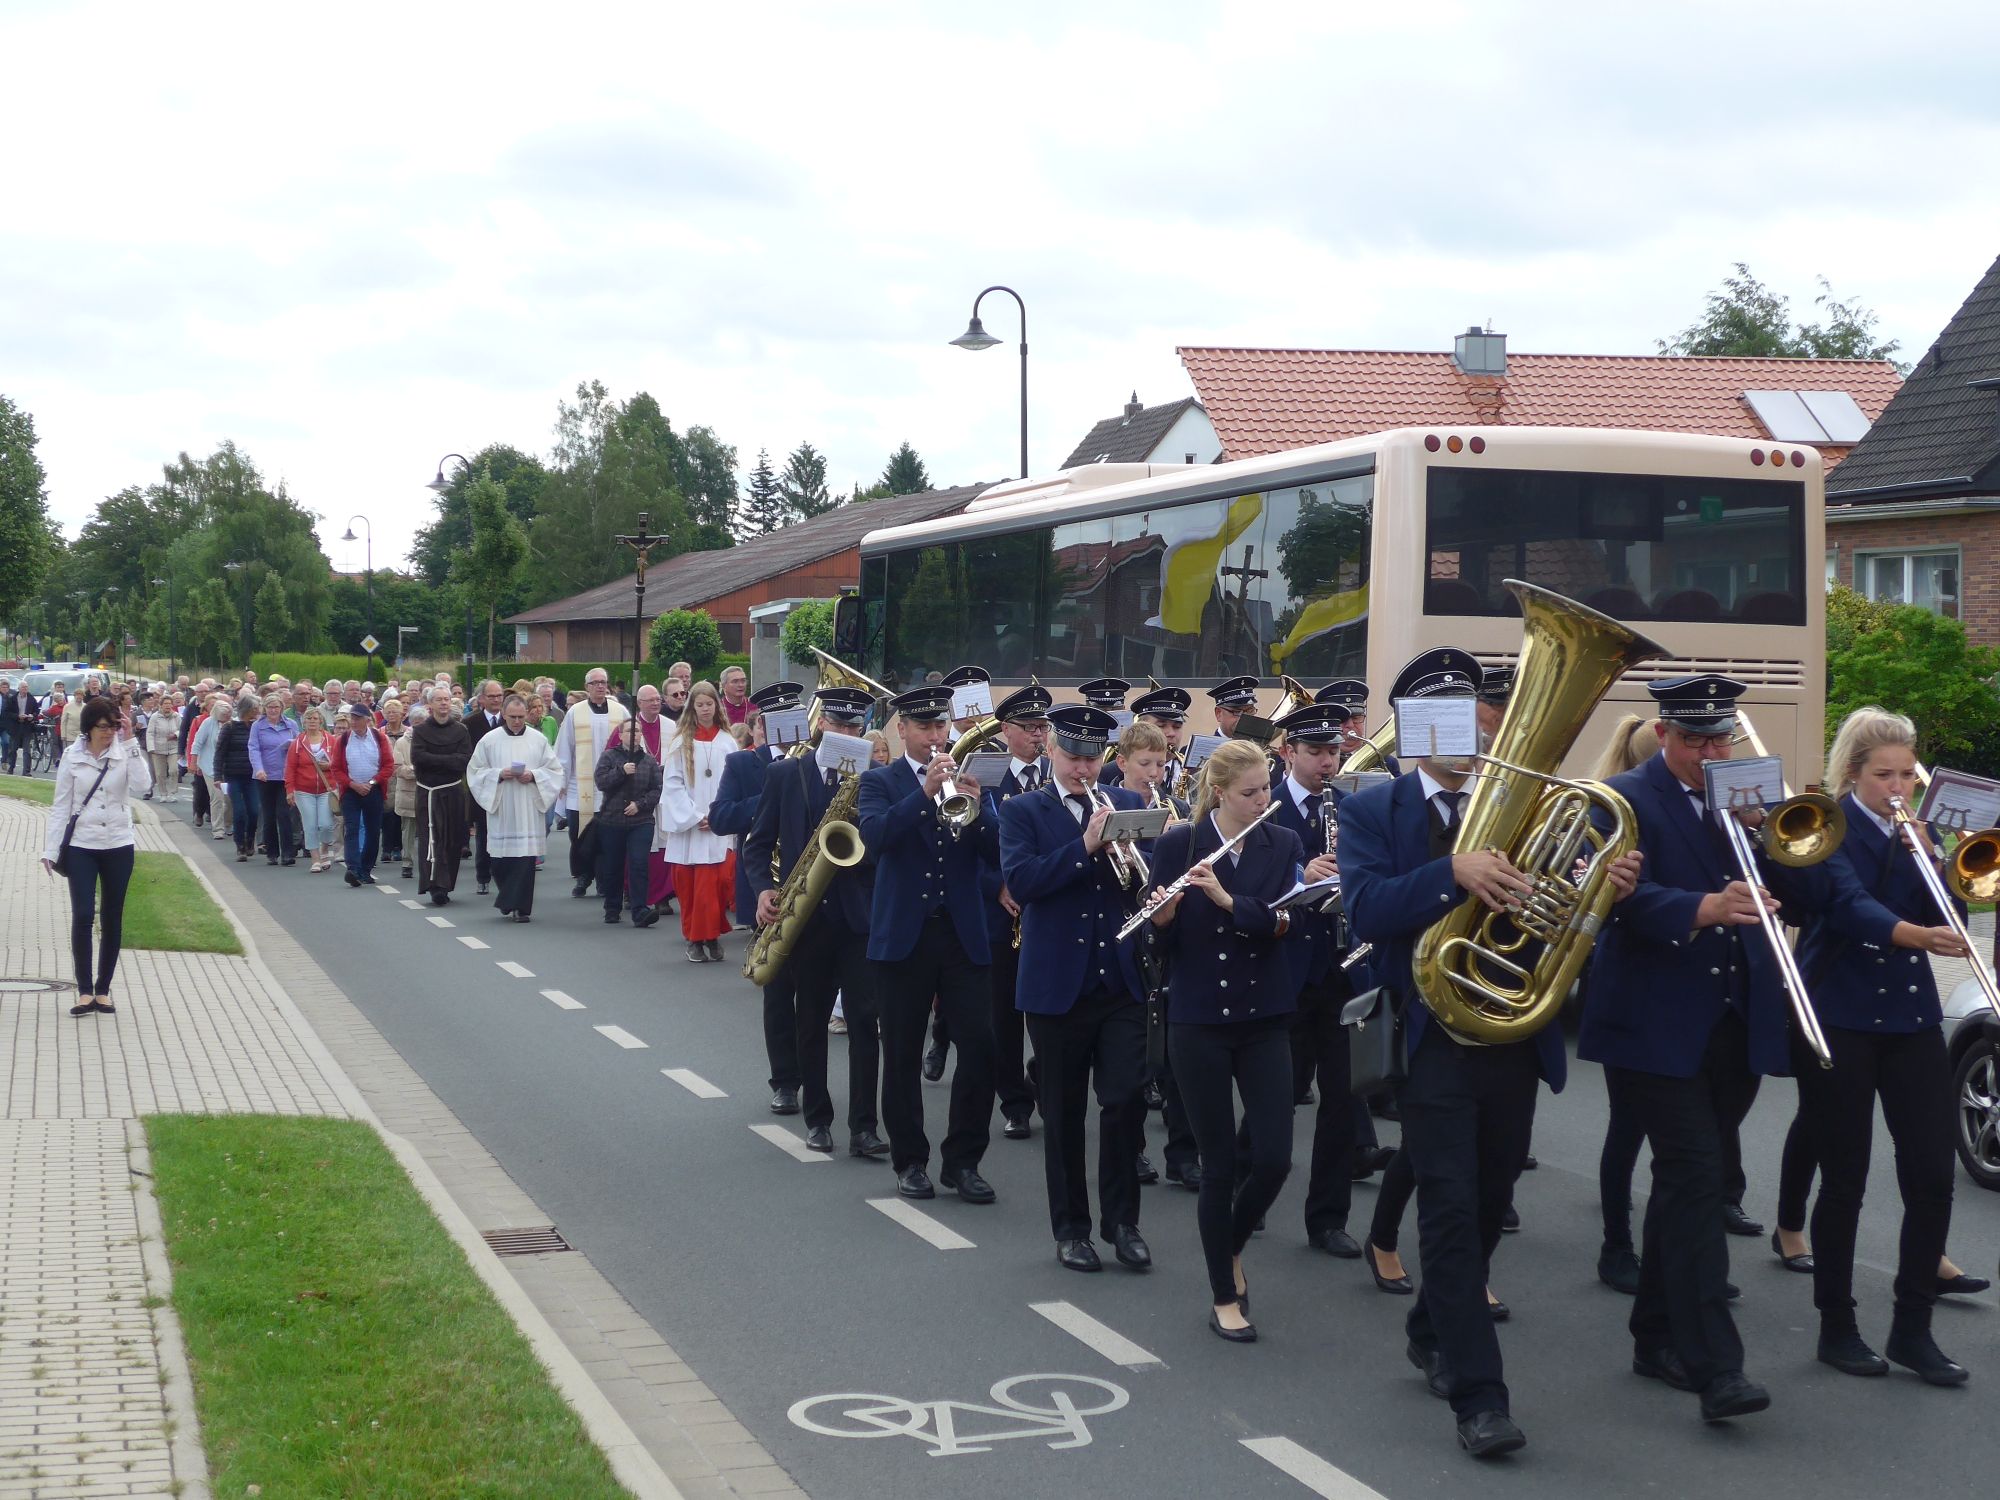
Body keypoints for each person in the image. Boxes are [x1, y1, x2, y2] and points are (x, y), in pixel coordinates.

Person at [1341, 648, 1617, 1457]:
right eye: (1448, 720)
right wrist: (1450, 872)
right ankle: (1480, 1398)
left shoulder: (1533, 804)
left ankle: (1431, 1328)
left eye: (1476, 718)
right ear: (1417, 731)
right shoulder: (1373, 809)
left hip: (1511, 1034)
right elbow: (1365, 912)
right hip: (1429, 1037)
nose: (1472, 735)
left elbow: (1559, 908)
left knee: (1491, 1201)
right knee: (1451, 1211)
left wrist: (1603, 886)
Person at [1578, 675, 1794, 1426]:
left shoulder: (1745, 796)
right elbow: (1606, 901)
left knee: (1682, 1185)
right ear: (1663, 734)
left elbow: (1793, 894)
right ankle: (1716, 1368)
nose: (1711, 753)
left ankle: (1654, 1335)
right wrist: (1701, 907)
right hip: (1652, 1023)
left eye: (1720, 739)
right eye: (1696, 739)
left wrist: (1773, 837)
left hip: (1733, 1021)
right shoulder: (1622, 799)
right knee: (1699, 1178)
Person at [1765, 707, 1971, 1384]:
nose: (1898, 788)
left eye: (1907, 775)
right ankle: (1837, 1325)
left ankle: (1913, 1328)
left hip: (1910, 1017)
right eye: (1884, 775)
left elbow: (1955, 917)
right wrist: (1914, 934)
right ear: (1854, 773)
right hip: (1839, 1014)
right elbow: (1847, 904)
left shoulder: (1918, 834)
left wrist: (1937, 862)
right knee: (1845, 1179)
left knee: (1932, 1176)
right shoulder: (1823, 827)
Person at [1143, 739, 1302, 1341]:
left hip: (1264, 1016)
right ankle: (1222, 1295)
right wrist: (1160, 920)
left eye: (1266, 789)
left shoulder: (1281, 842)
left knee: (1274, 1158)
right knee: (1217, 1164)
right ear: (1219, 794)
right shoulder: (1179, 845)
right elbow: (1157, 947)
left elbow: (1288, 921)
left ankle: (1229, 1244)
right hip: (1199, 1019)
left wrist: (1229, 901)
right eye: (1249, 793)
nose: (1262, 800)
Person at [1001, 703, 1151, 1273]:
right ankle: (1071, 1229)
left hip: (1120, 979)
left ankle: (1123, 1222)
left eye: (1092, 758)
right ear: (1052, 752)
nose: (1083, 769)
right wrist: (1086, 846)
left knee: (1125, 1100)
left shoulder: (1128, 802)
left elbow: (1147, 878)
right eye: (1073, 757)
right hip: (1056, 984)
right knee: (1063, 1115)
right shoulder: (1022, 811)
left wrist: (1143, 868)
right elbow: (1023, 882)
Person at [857, 685, 998, 1202]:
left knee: (980, 1047)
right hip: (904, 936)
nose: (936, 736)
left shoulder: (971, 778)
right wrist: (924, 795)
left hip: (962, 935)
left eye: (941, 726)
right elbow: (875, 838)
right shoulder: (879, 781)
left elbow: (998, 852)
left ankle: (963, 1161)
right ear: (902, 730)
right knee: (901, 1051)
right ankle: (911, 1160)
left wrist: (980, 809)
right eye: (925, 727)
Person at [746, 686, 885, 1155]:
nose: (847, 733)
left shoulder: (874, 777)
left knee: (865, 1022)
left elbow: (884, 845)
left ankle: (864, 1126)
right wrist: (763, 890)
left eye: (855, 727)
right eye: (839, 724)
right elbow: (757, 844)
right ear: (821, 723)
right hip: (806, 917)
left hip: (859, 918)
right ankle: (818, 1119)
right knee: (810, 1020)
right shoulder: (786, 774)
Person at [1267, 701, 1366, 1259]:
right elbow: (1248, 879)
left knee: (1342, 1097)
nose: (1328, 762)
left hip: (1341, 969)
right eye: (1315, 752)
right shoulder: (1266, 805)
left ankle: (1328, 1219)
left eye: (1333, 751)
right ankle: (1248, 1185)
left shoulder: (1350, 808)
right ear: (1289, 752)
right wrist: (1300, 875)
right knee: (1277, 1093)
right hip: (1285, 971)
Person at [711, 682, 805, 1109]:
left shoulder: (817, 762)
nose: (789, 726)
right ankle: (785, 1081)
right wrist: (770, 797)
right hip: (770, 890)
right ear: (761, 726)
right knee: (779, 992)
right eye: (778, 720)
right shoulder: (743, 763)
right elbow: (720, 817)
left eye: (794, 717)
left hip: (819, 887)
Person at [977, 684, 1052, 1140]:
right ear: (1006, 730)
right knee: (1003, 1017)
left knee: (1052, 1013)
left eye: (1043, 727)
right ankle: (1015, 1103)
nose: (1038, 735)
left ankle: (1044, 1080)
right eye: (1029, 727)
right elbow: (967, 846)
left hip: (1048, 910)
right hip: (1001, 916)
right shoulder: (985, 778)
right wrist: (997, 885)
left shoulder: (1057, 774)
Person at [42, 697, 150, 1016]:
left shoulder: (123, 750)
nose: (108, 733)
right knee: (83, 914)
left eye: (113, 726)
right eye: (103, 727)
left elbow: (144, 786)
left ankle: (103, 990)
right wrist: (51, 850)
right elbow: (61, 806)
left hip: (118, 843)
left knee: (112, 916)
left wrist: (130, 741)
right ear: (88, 728)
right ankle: (84, 991)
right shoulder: (73, 757)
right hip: (81, 845)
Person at [467, 693, 564, 922]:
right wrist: (499, 774)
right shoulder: (489, 740)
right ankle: (508, 898)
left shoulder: (538, 740)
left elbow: (554, 771)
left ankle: (521, 908)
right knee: (500, 862)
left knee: (525, 860)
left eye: (521, 717)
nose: (517, 721)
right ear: (503, 714)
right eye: (513, 717)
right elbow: (475, 772)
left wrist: (534, 775)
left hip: (528, 808)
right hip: (503, 808)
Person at [659, 680, 737, 963]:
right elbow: (673, 784)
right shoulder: (682, 742)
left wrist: (719, 816)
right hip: (690, 828)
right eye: (700, 704)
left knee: (717, 885)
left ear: (717, 706)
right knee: (691, 887)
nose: (705, 709)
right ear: (692, 707)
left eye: (709, 704)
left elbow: (735, 783)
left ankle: (711, 936)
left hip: (718, 826)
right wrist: (695, 817)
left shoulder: (728, 742)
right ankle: (695, 939)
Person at [554, 669, 632, 899]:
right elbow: (564, 748)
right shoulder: (575, 712)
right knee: (580, 834)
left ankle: (603, 880)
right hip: (581, 785)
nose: (600, 686)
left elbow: (633, 741)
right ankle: (583, 875)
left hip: (614, 784)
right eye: (595, 683)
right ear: (586, 686)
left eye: (603, 682)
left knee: (608, 836)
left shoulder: (620, 711)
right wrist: (561, 780)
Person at [594, 718, 663, 926]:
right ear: (621, 735)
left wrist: (640, 804)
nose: (634, 735)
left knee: (639, 863)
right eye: (629, 731)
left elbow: (657, 789)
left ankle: (640, 910)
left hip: (641, 821)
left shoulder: (649, 761)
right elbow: (601, 782)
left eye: (638, 731)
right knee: (613, 865)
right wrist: (621, 771)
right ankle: (612, 907)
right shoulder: (609, 756)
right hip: (612, 820)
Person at [411, 687, 474, 906]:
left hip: (453, 790)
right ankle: (433, 885)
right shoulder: (420, 731)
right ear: (430, 705)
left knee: (452, 839)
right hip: (428, 792)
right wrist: (449, 759)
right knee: (431, 838)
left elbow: (464, 759)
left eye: (447, 699)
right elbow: (418, 758)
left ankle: (446, 884)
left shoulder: (461, 730)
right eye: (439, 700)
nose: (444, 703)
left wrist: (436, 759)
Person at [330, 702, 394, 887]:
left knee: (373, 831)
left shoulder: (379, 738)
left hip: (373, 790)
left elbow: (388, 765)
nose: (354, 721)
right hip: (350, 791)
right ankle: (353, 868)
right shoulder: (343, 740)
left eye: (357, 718)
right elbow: (336, 768)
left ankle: (365, 869)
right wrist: (353, 784)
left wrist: (372, 783)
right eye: (352, 717)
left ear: (367, 720)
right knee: (351, 828)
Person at [465, 680, 507, 896]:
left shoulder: (510, 721)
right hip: (482, 787)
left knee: (505, 834)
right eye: (492, 696)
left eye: (499, 696)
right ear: (481, 699)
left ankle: (504, 876)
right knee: (483, 834)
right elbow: (467, 756)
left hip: (508, 786)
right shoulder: (470, 723)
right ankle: (483, 877)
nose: (496, 700)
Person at [285, 708, 339, 873]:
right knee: (310, 825)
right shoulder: (297, 743)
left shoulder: (331, 740)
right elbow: (290, 768)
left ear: (321, 721)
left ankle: (324, 850)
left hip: (326, 789)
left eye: (315, 718)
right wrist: (290, 790)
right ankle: (315, 859)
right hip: (303, 790)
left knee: (326, 824)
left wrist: (329, 765)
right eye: (309, 719)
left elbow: (339, 763)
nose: (312, 721)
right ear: (304, 722)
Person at [248, 693, 299, 866]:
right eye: (270, 707)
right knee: (269, 815)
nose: (273, 710)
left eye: (276, 707)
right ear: (265, 708)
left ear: (281, 708)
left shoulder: (290, 725)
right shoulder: (258, 726)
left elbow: (298, 745)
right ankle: (272, 852)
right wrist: (259, 769)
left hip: (285, 775)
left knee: (284, 814)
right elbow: (254, 748)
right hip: (265, 776)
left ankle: (287, 853)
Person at [216, 696, 260, 862]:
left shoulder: (257, 727)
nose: (257, 711)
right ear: (246, 709)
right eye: (254, 708)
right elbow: (220, 753)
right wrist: (218, 775)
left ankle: (250, 839)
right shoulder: (230, 727)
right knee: (239, 811)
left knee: (254, 811)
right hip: (233, 775)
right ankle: (240, 845)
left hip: (252, 776)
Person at [379, 696, 410, 869]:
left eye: (395, 712)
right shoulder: (380, 732)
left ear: (402, 714)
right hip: (387, 777)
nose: (391, 715)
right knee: (387, 812)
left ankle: (398, 847)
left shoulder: (409, 732)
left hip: (404, 776)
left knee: (401, 814)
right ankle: (386, 848)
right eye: (388, 712)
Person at [144, 689, 181, 799]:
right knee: (160, 773)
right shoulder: (155, 717)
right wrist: (151, 748)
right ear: (161, 705)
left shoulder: (176, 716)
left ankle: (172, 793)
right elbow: (150, 733)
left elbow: (182, 730)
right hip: (158, 748)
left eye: (169, 703)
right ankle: (163, 794)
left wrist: (175, 735)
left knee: (173, 770)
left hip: (173, 748)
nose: (168, 706)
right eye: (165, 704)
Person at [1206, 676, 1260, 741]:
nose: (1245, 719)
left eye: (1250, 711)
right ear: (1218, 713)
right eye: (1237, 712)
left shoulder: (1259, 746)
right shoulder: (1208, 747)